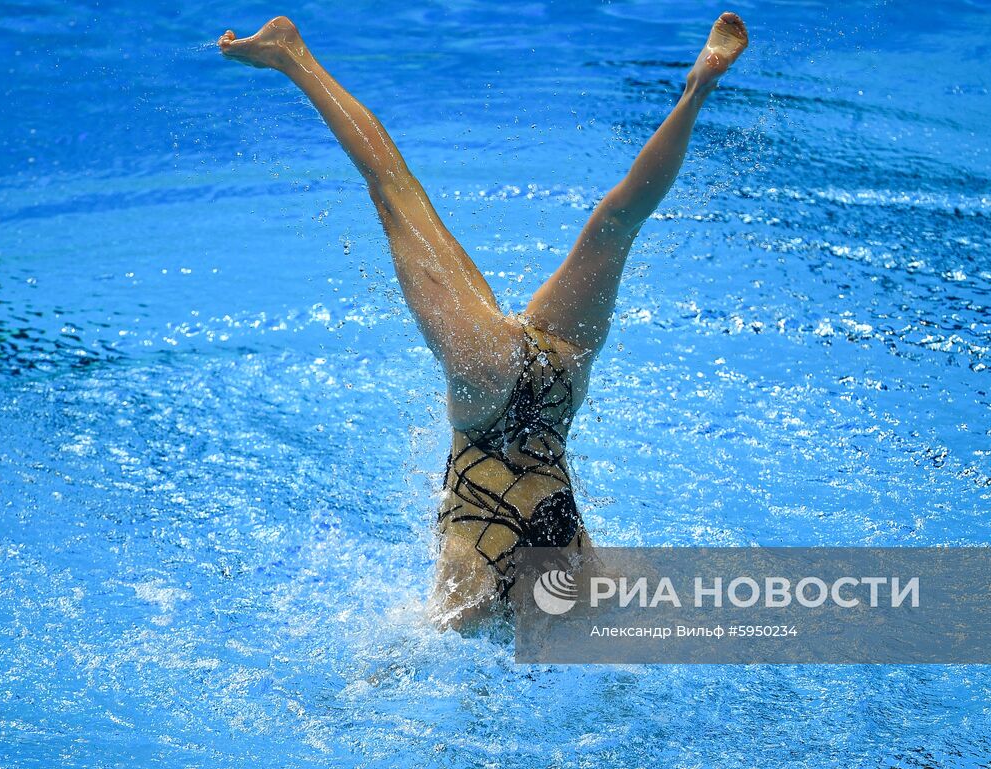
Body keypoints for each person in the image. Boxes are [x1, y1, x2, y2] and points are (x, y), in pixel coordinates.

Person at [219, 13, 749, 629]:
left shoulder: (573, 571)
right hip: (491, 380)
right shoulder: (482, 596)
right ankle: (292, 56)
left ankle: (696, 91)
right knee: (395, 192)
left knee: (615, 222)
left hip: (554, 380)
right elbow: (417, 646)